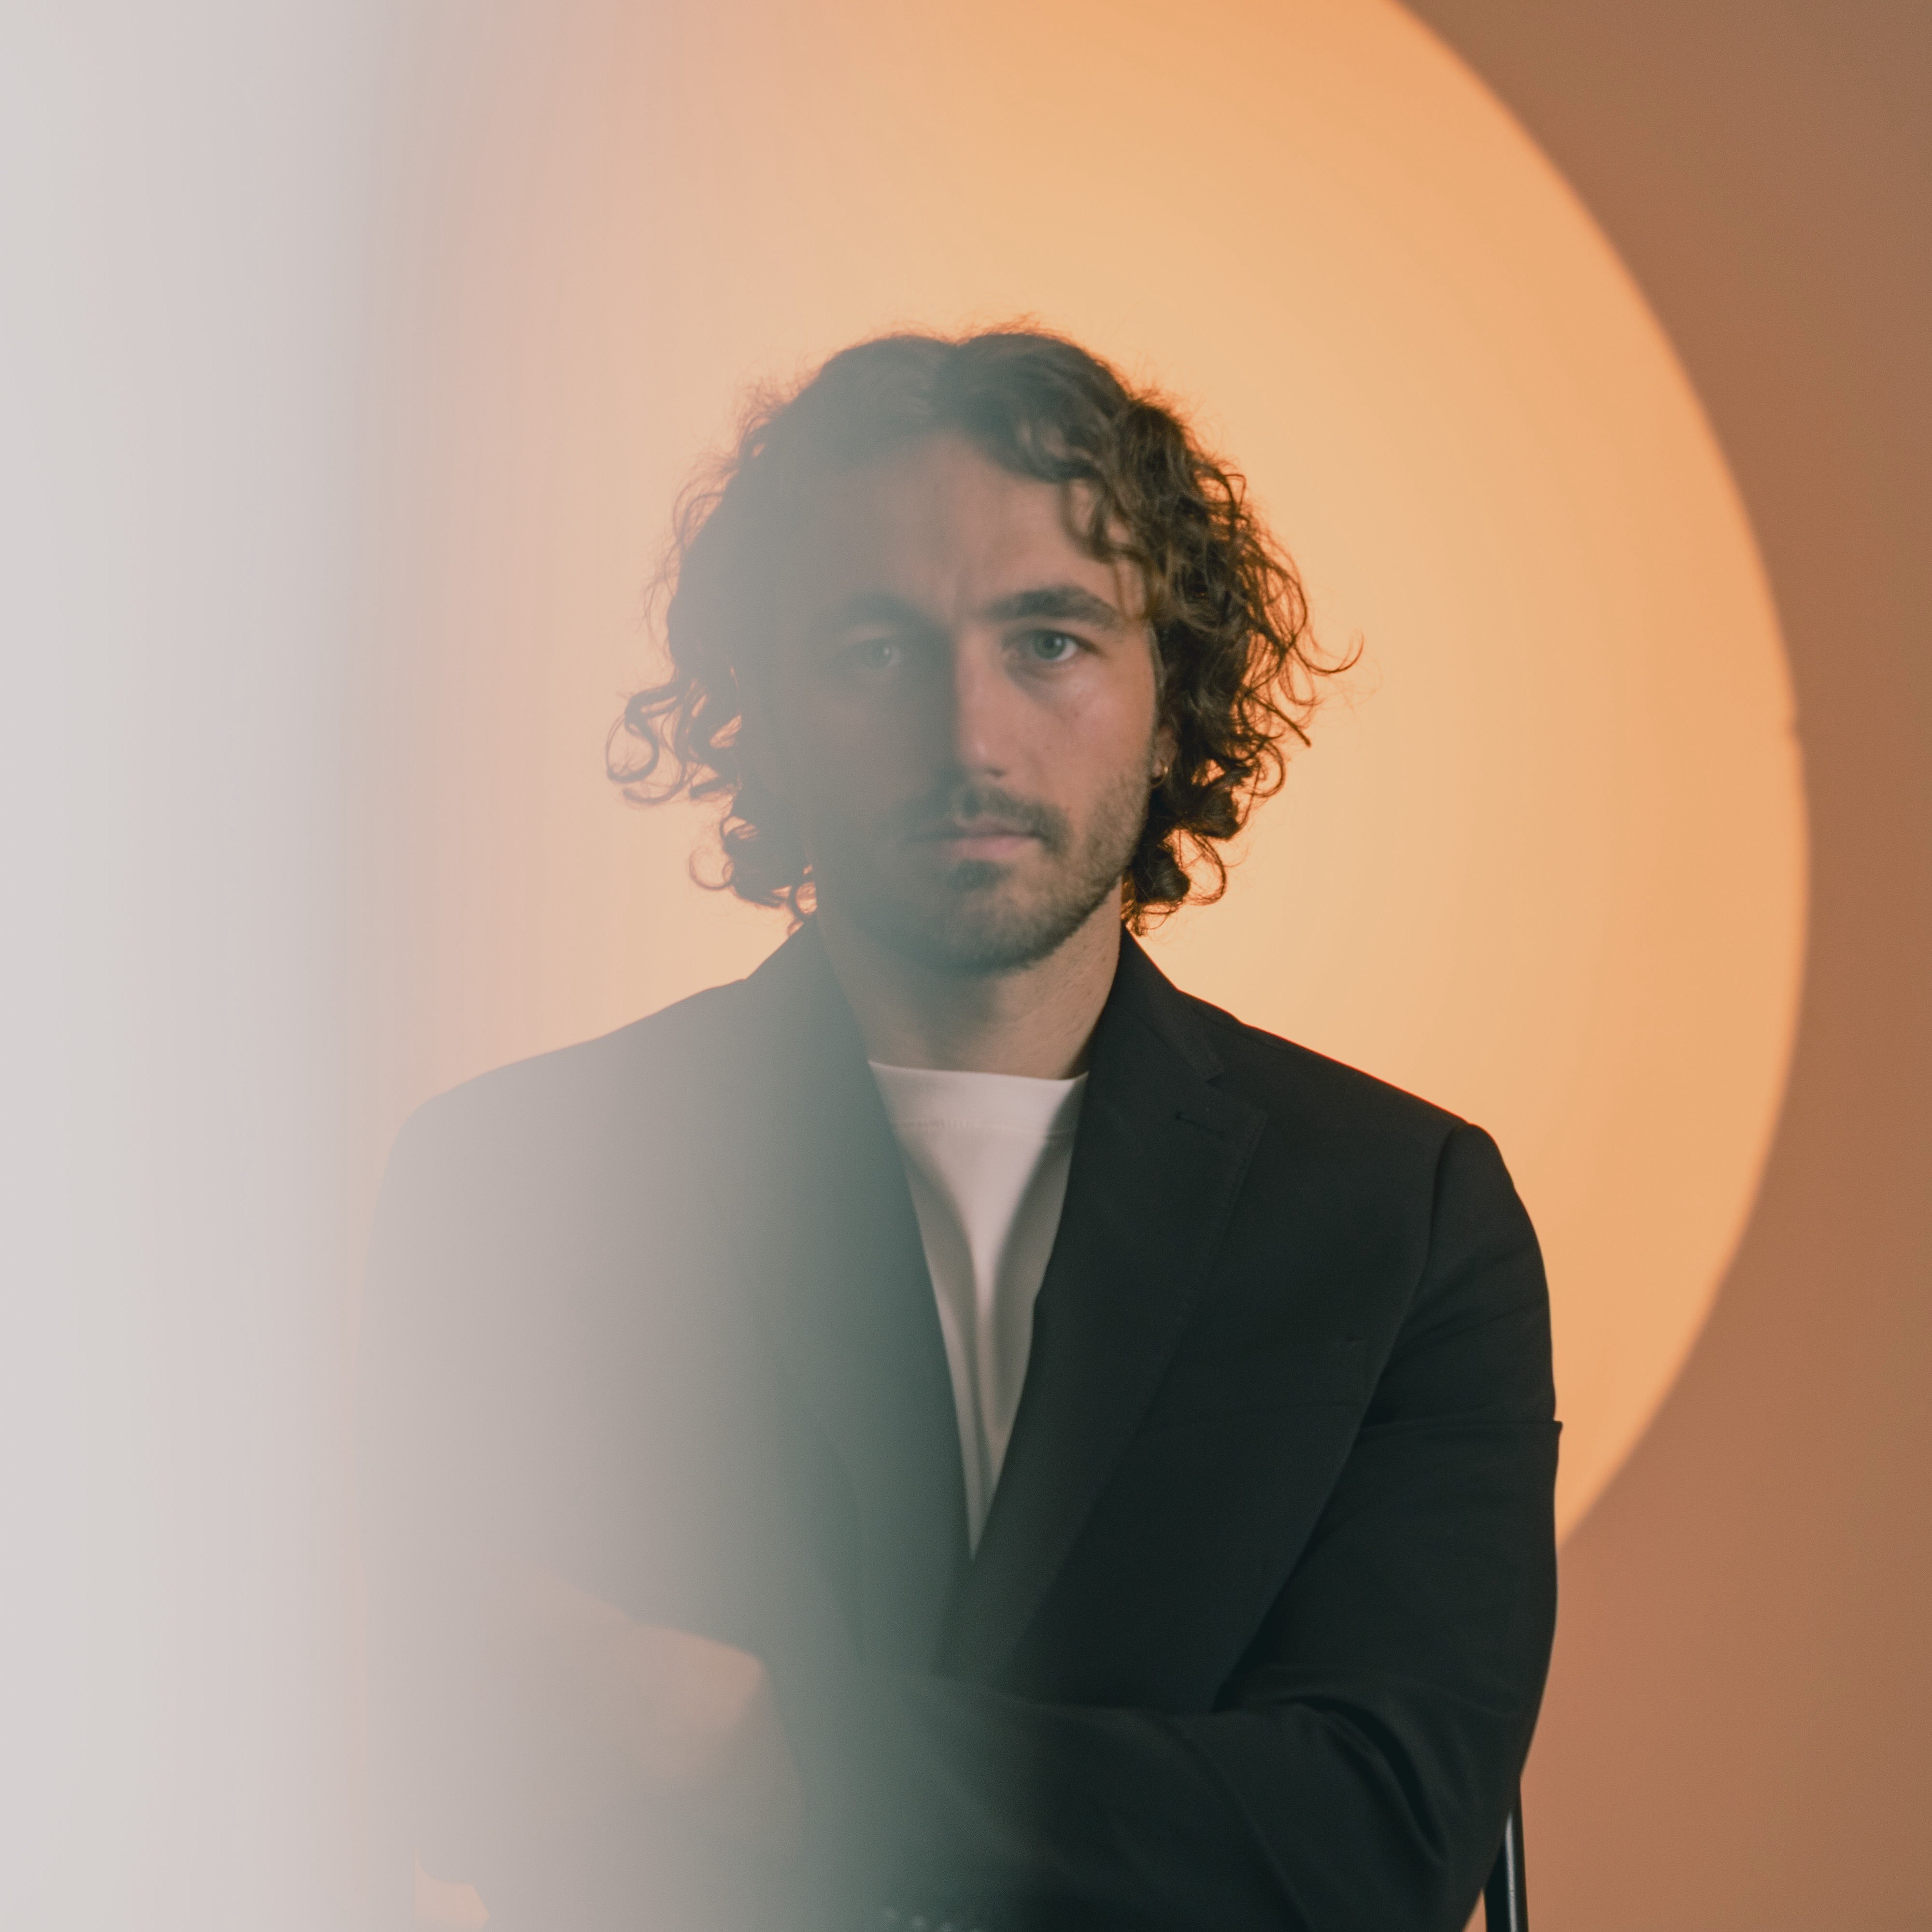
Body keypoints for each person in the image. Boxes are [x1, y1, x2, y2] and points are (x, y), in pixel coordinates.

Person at [356, 329, 1559, 1932]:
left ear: (1169, 693)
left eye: (1051, 640)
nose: (970, 738)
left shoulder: (1404, 1213)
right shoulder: (519, 1185)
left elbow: (1370, 1842)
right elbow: (435, 1764)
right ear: (764, 711)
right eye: (874, 649)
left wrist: (714, 1727)